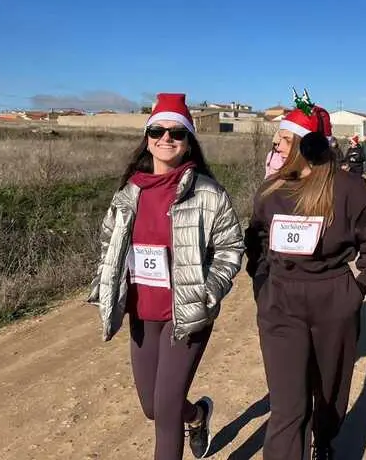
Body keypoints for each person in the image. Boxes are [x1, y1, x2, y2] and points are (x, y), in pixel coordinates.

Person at [87, 93, 245, 460]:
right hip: (143, 313)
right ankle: (199, 414)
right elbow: (109, 242)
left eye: (177, 133)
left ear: (189, 141)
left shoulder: (207, 193)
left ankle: (185, 416)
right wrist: (108, 282)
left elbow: (231, 247)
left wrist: (208, 291)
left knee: (165, 410)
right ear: (147, 137)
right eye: (157, 130)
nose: (166, 138)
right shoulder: (129, 193)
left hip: (186, 315)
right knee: (152, 407)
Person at [244, 90, 366, 460]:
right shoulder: (272, 189)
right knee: (287, 406)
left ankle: (324, 439)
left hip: (333, 299)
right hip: (280, 300)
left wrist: (358, 285)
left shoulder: (347, 188)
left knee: (329, 393)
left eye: (283, 138)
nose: (276, 144)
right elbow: (256, 238)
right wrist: (262, 280)